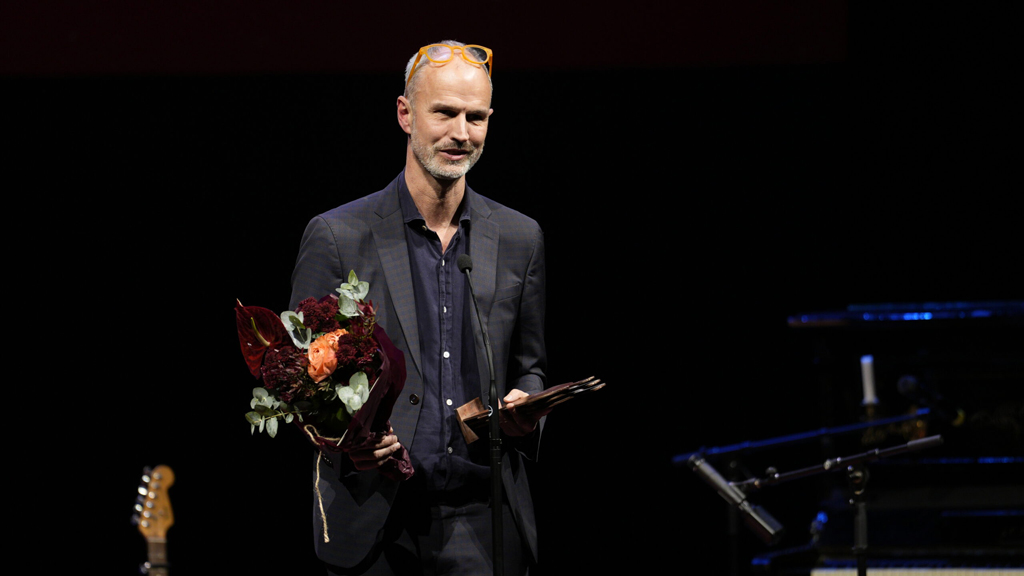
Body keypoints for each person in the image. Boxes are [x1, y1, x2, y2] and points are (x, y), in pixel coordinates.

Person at [288, 41, 548, 575]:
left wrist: (530, 407)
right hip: (375, 518)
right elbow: (297, 378)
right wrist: (348, 439)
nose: (461, 132)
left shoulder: (521, 237)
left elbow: (531, 363)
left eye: (476, 117)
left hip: (486, 523)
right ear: (405, 114)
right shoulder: (338, 236)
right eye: (445, 112)